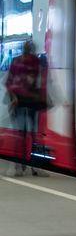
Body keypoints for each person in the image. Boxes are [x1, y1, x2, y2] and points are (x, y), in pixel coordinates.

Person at [5, 40, 47, 176]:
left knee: (20, 135)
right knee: (34, 136)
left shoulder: (17, 61)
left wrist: (14, 98)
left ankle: (19, 165)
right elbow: (41, 81)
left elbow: (8, 82)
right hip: (31, 102)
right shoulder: (36, 62)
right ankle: (34, 167)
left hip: (20, 102)